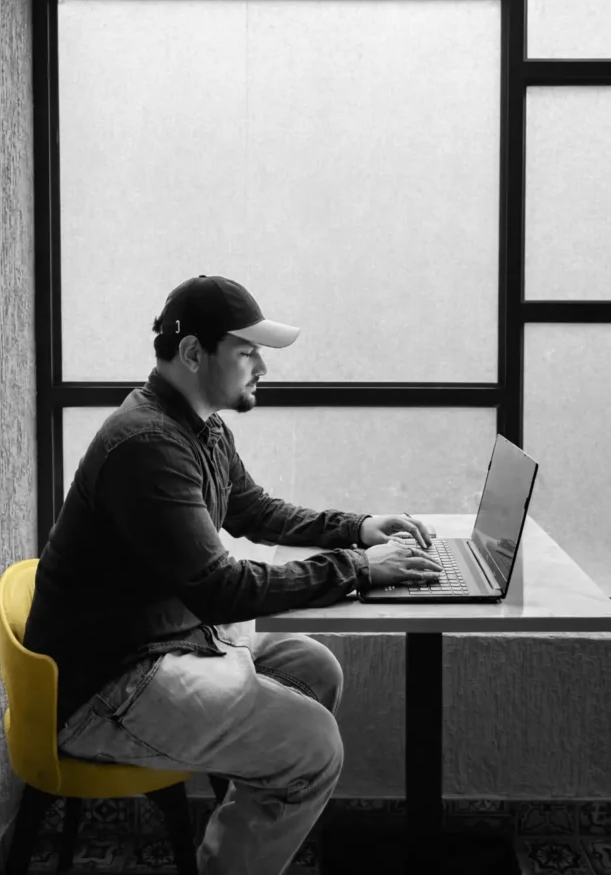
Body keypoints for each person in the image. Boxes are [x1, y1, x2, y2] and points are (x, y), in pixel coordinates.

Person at [23, 275, 444, 875]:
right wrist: (358, 571)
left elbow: (256, 509)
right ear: (194, 353)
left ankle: (234, 850)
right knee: (314, 746)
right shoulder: (147, 444)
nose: (262, 368)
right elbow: (221, 589)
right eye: (247, 352)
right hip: (107, 685)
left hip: (163, 642)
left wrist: (360, 527)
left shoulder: (201, 427)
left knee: (313, 670)